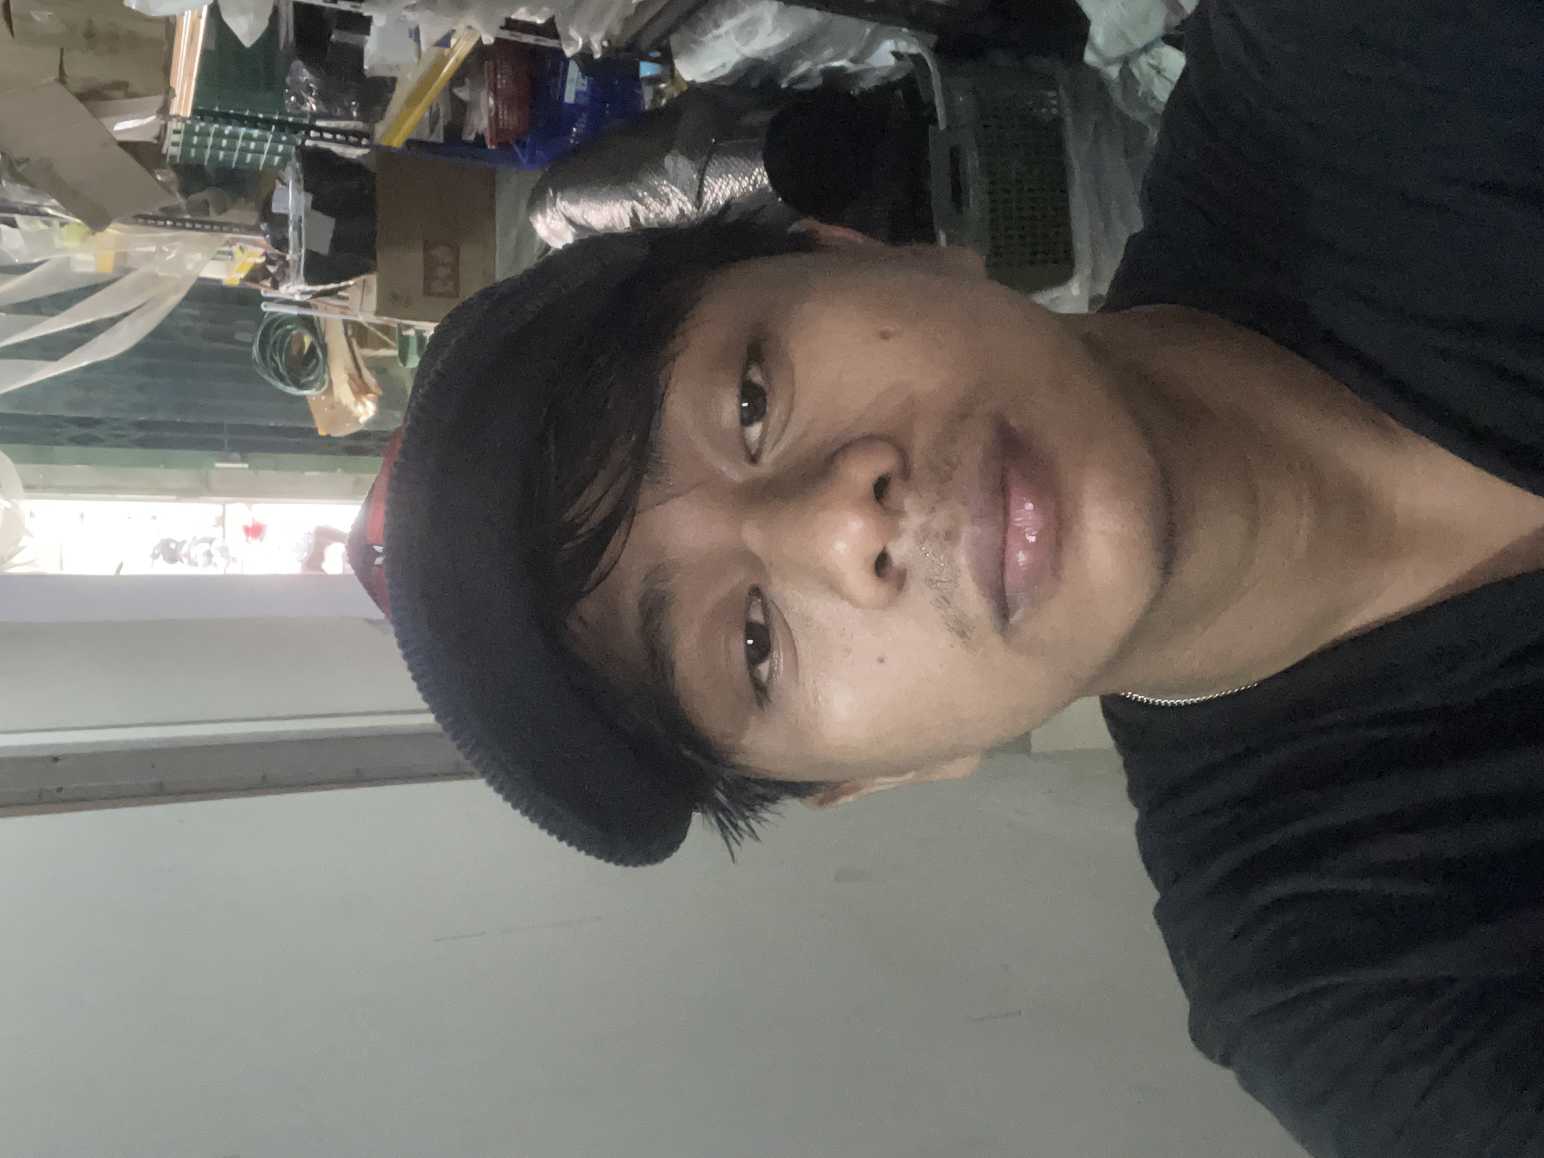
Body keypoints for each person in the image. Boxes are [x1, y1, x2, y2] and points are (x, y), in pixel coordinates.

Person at [352, 1, 1544, 1154]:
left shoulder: (1365, 61)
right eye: (753, 645)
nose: (839, 525)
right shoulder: (1362, 974)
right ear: (876, 774)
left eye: (751, 401)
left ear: (871, 252)